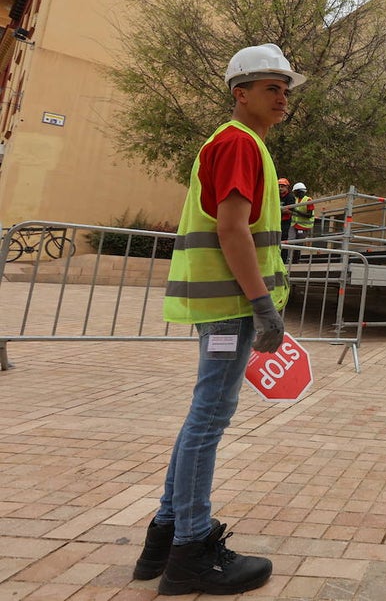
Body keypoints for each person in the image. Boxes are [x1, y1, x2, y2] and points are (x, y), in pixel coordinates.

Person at [134, 43, 303, 594]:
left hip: (226, 307)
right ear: (241, 92)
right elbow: (232, 230)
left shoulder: (238, 143)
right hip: (233, 309)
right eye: (271, 87)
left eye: (285, 88)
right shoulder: (236, 143)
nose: (283, 97)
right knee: (207, 423)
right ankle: (192, 551)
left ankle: (165, 536)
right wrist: (261, 307)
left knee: (200, 422)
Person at [289, 182, 315, 255]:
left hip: (304, 226)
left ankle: (295, 261)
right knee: (290, 241)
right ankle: (289, 259)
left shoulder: (308, 200)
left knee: (298, 244)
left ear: (299, 191)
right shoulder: (295, 199)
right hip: (294, 224)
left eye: (295, 192)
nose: (294, 193)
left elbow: (309, 215)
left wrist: (296, 211)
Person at [278, 178, 293, 261]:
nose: (280, 188)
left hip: (285, 221)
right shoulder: (277, 196)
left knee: (284, 240)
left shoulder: (290, 197)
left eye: (282, 186)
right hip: (277, 221)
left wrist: (282, 210)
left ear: (287, 187)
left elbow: (291, 211)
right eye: (279, 186)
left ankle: (283, 260)